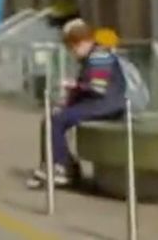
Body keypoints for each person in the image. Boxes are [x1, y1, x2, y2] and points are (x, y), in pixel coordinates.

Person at [27, 19, 126, 189]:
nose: (72, 52)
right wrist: (66, 103)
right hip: (99, 103)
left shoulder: (100, 55)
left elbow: (97, 88)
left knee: (56, 120)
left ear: (82, 42)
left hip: (106, 105)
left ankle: (61, 166)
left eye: (72, 47)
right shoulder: (92, 56)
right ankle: (57, 163)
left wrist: (74, 85)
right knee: (53, 118)